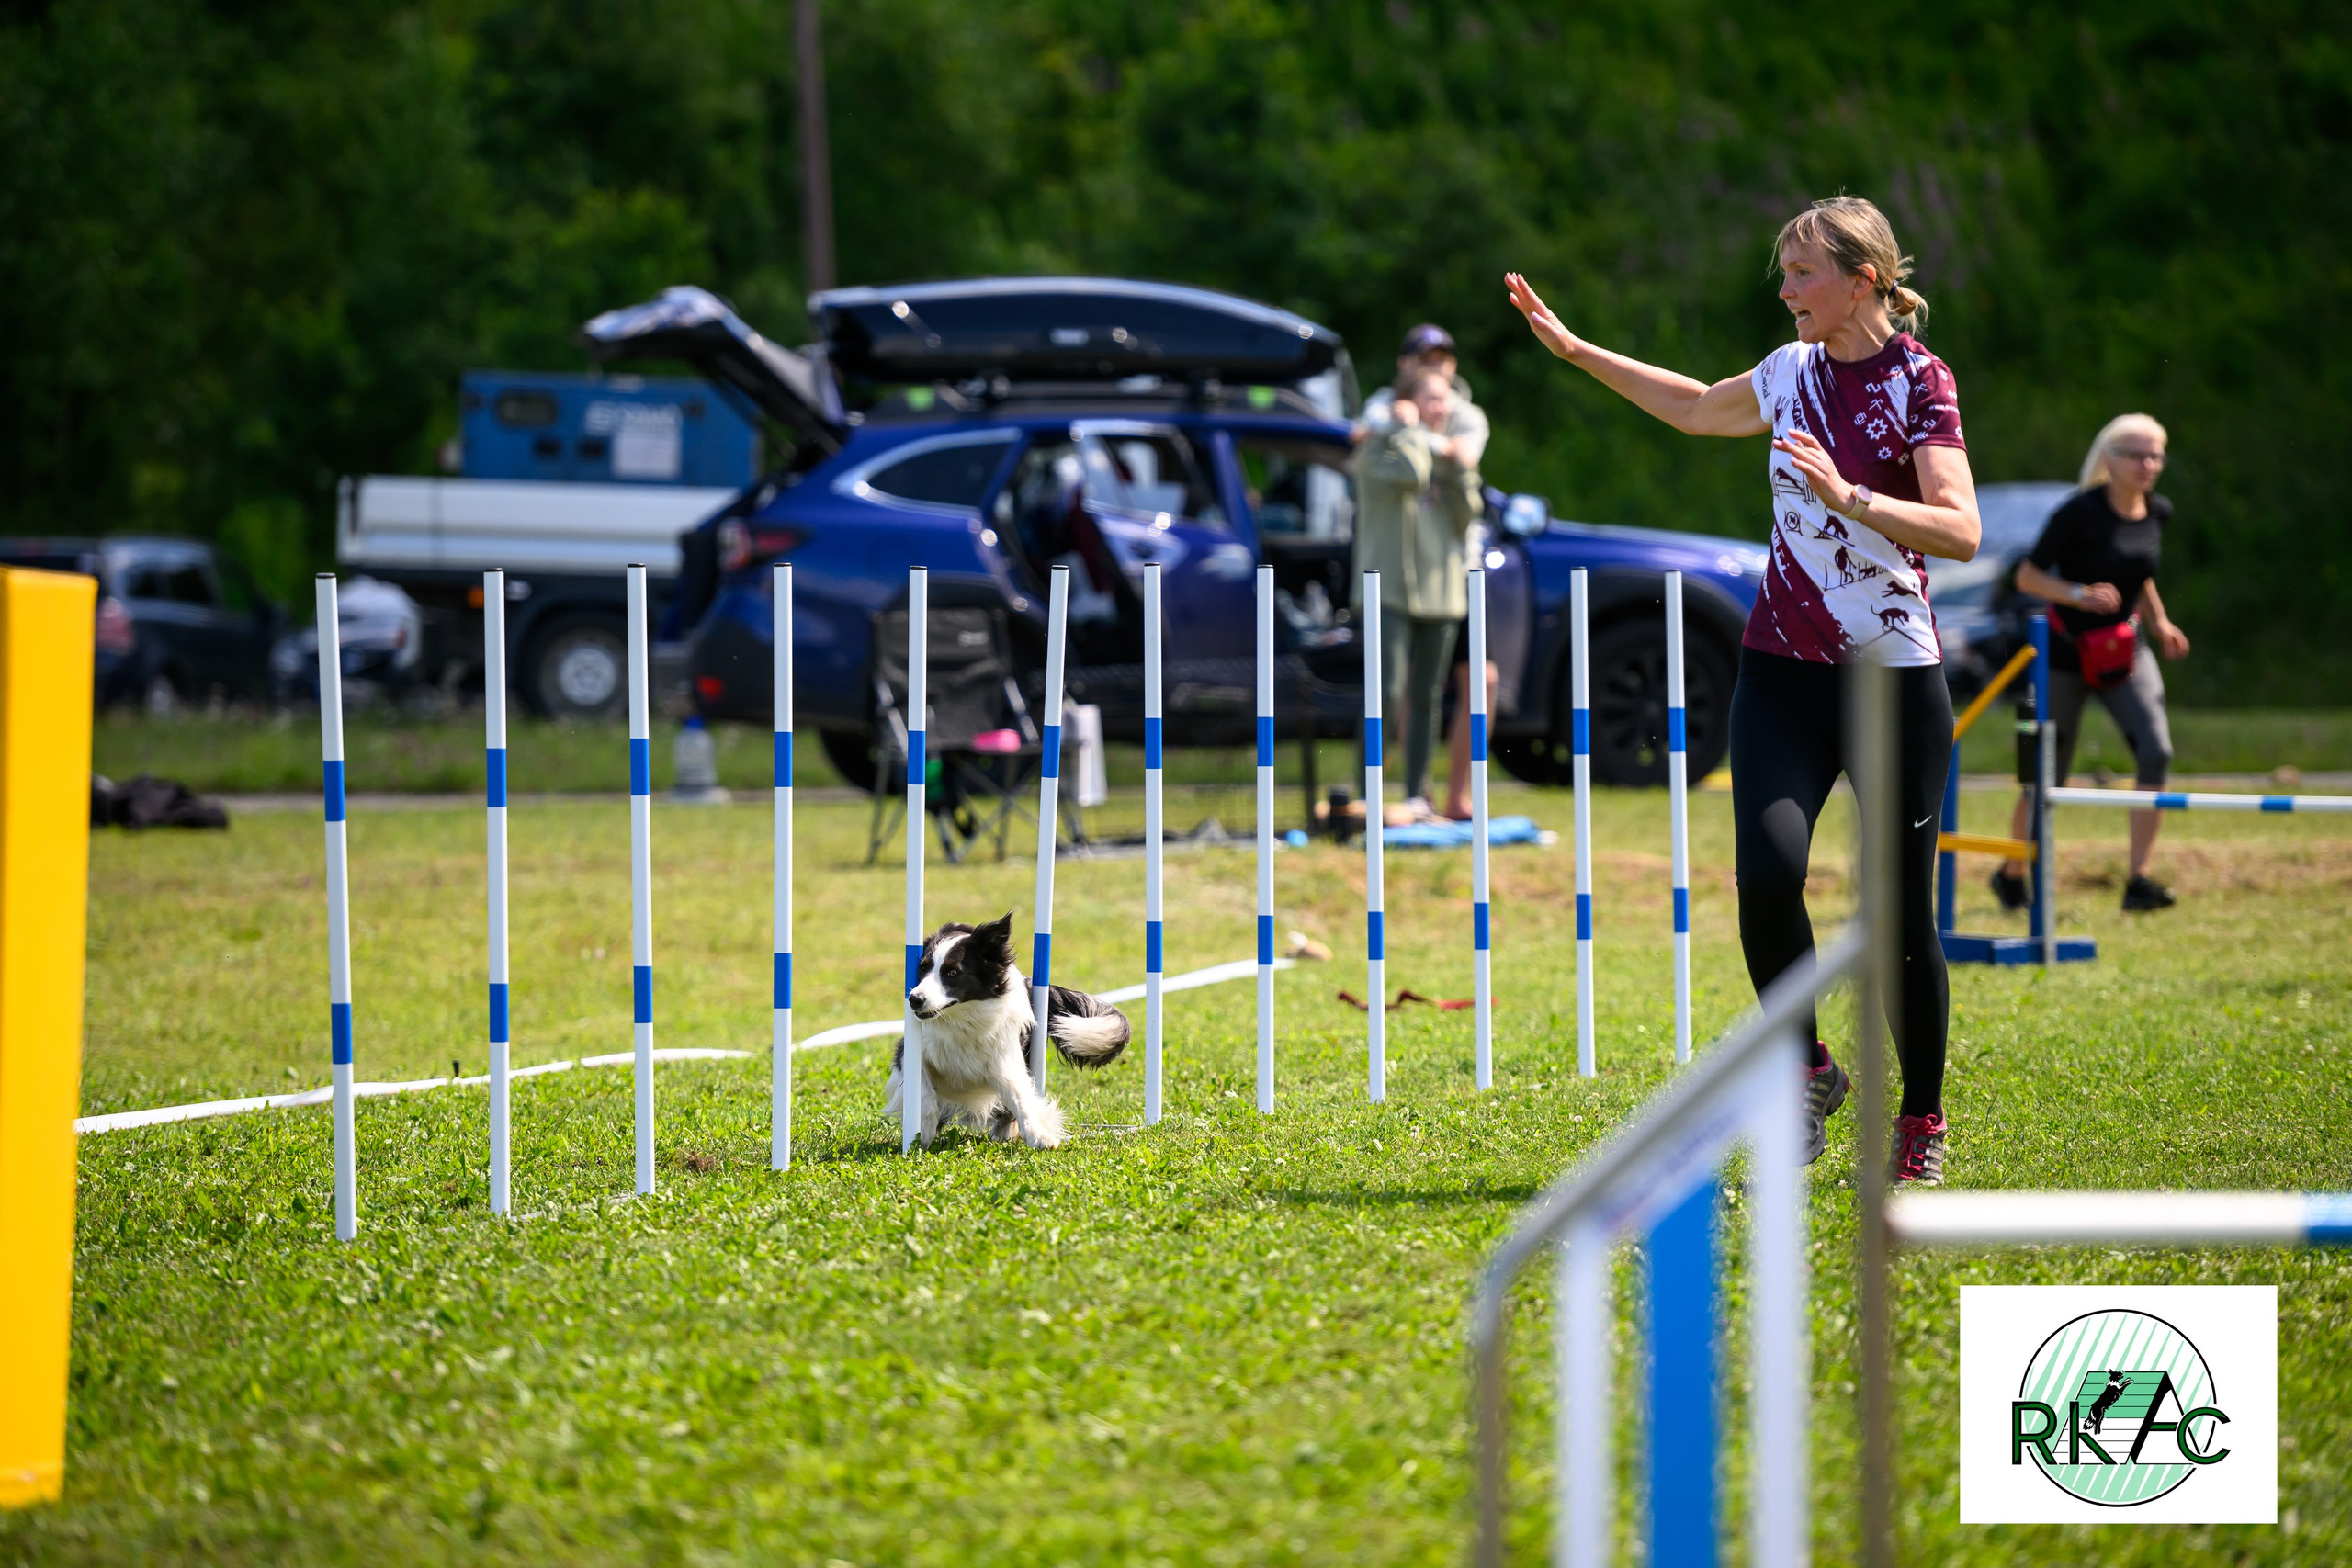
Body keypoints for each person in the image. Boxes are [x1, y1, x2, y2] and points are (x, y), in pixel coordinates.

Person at [1506, 196, 1982, 1185]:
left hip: (1891, 679)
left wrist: (1847, 496)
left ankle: (1921, 1123)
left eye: (1801, 272)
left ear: (1863, 280)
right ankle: (1807, 1067)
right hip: (1780, 669)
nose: (1783, 289)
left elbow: (1960, 529)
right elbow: (1690, 406)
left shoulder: (1919, 383)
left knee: (1897, 919)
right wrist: (1578, 353)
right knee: (1767, 875)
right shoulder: (1788, 371)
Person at [1992, 414, 2188, 912]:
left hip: (2125, 649)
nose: (2148, 465)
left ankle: (2138, 880)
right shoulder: (2078, 513)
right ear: (2109, 458)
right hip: (2065, 653)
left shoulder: (2157, 512)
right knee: (2046, 776)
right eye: (2137, 455)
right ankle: (2014, 873)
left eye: (2156, 456)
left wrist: (2160, 621)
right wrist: (2077, 594)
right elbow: (2028, 577)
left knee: (2156, 750)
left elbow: (2138, 573)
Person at [1353, 366, 1483, 816]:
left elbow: (1469, 515)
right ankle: (1365, 792)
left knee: (1428, 697)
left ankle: (1417, 795)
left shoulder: (1451, 454)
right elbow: (1410, 474)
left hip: (1442, 592)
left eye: (1445, 400)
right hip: (1387, 587)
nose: (1440, 408)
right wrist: (1411, 432)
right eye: (1430, 398)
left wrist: (1462, 469)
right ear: (1405, 402)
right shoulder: (1375, 448)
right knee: (1387, 692)